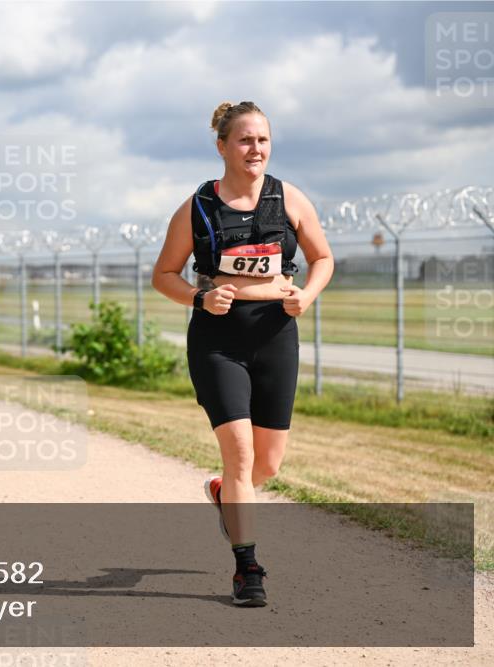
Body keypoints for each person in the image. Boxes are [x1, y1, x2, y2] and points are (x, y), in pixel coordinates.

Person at [151, 101, 333, 607]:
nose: (256, 149)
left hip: (276, 334)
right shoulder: (198, 207)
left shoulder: (288, 198)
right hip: (218, 341)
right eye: (245, 140)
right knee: (241, 456)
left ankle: (224, 492)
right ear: (222, 147)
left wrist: (306, 295)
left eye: (263, 140)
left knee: (267, 466)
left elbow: (322, 257)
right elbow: (163, 274)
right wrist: (199, 297)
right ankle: (246, 569)